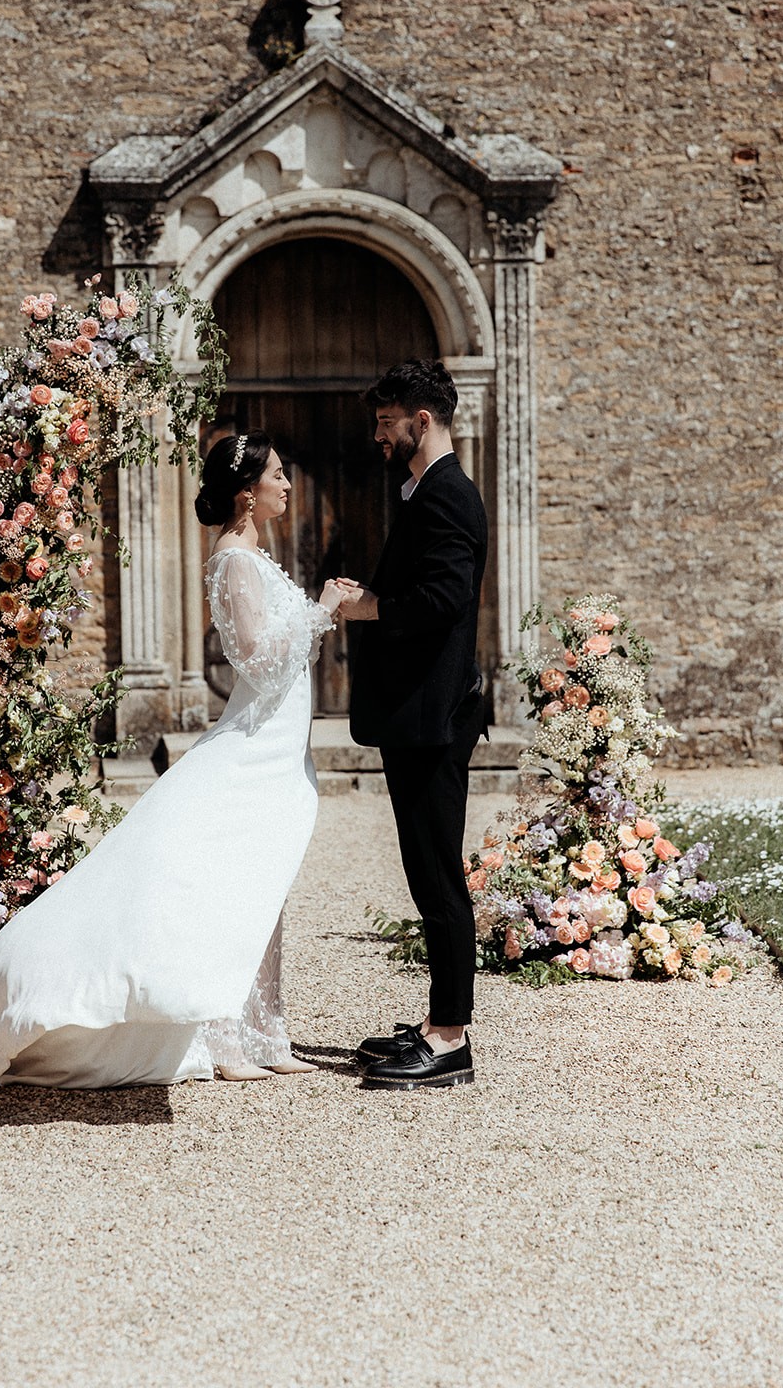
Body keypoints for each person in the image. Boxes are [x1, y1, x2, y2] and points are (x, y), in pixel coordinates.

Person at [0, 432, 345, 1098]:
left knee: (265, 883)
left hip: (279, 746)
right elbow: (257, 663)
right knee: (223, 883)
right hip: (253, 743)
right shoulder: (234, 559)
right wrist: (320, 611)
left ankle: (268, 1033)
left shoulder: (257, 556)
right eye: (276, 474)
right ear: (246, 490)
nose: (287, 484)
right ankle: (222, 1036)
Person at [337, 359, 488, 1091]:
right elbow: (422, 590)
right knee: (426, 873)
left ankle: (450, 1037)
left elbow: (444, 600)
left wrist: (367, 608)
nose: (378, 436)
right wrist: (370, 592)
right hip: (417, 715)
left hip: (432, 718)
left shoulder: (448, 495)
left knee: (437, 876)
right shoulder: (428, 491)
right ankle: (436, 1023)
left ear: (419, 421)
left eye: (384, 422)